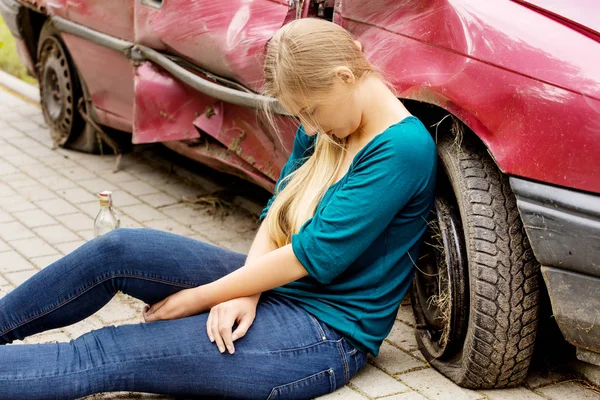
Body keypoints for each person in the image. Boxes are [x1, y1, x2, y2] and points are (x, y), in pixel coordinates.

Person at [0, 17, 437, 399]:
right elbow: (278, 209)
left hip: (323, 333)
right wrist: (244, 291)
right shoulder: (330, 122)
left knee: (108, 351)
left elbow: (313, 255)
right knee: (115, 250)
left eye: (310, 111)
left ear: (344, 76)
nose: (306, 126)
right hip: (282, 284)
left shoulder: (401, 149)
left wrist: (199, 299)